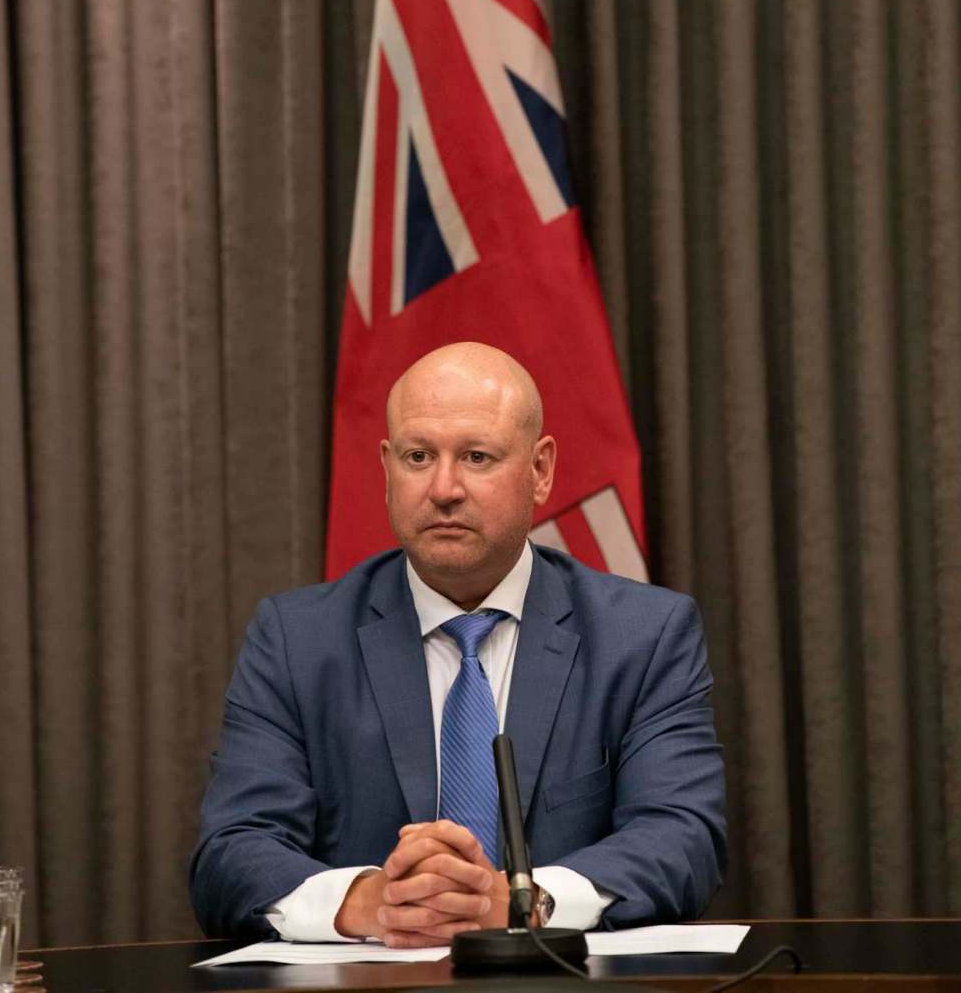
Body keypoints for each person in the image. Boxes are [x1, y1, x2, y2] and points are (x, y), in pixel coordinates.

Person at [190, 342, 726, 944]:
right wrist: (371, 902)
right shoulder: (297, 640)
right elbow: (232, 851)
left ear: (540, 470)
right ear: (387, 469)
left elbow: (683, 837)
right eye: (418, 457)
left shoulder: (644, 636)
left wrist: (521, 902)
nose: (444, 488)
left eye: (476, 457)